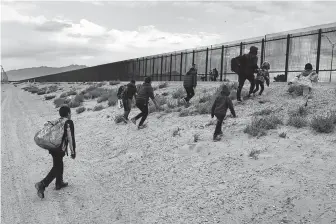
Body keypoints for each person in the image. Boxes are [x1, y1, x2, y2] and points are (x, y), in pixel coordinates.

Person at [35, 105, 76, 199]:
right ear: (69, 114)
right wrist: (73, 151)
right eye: (70, 113)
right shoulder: (68, 123)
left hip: (52, 147)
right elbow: (70, 138)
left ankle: (59, 183)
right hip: (59, 148)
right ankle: (42, 184)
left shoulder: (56, 121)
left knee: (58, 164)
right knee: (57, 167)